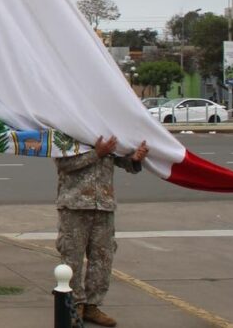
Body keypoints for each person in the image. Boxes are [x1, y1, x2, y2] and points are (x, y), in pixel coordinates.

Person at [55, 134, 148, 327]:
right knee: (72, 259)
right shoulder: (68, 131)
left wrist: (135, 159)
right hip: (75, 205)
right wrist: (96, 153)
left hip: (104, 205)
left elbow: (122, 160)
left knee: (102, 259)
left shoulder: (107, 130)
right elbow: (63, 164)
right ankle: (75, 306)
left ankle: (92, 306)